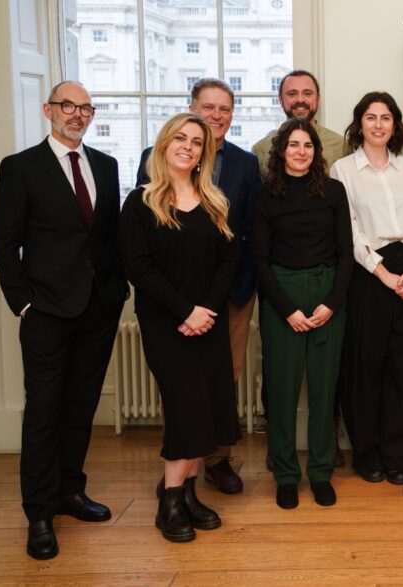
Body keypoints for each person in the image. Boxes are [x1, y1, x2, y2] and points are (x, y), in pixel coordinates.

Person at [0, 81, 128, 560]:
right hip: (46, 310)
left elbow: (110, 239)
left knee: (80, 407)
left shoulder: (106, 167)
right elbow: (3, 246)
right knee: (44, 412)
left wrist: (117, 293)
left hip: (98, 309)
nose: (77, 114)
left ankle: (70, 491)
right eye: (68, 106)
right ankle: (40, 513)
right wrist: (22, 303)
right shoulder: (22, 168)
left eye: (86, 108)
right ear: (49, 109)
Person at [120, 113, 241, 543]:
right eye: (180, 138)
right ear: (164, 144)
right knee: (186, 409)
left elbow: (229, 261)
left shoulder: (214, 200)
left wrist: (205, 308)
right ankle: (169, 502)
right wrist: (185, 311)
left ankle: (188, 494)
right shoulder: (140, 202)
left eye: (196, 142)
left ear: (204, 152)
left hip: (208, 321)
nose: (187, 147)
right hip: (165, 323)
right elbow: (138, 267)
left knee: (207, 407)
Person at [137, 78, 259, 495]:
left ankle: (215, 463)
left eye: (225, 108)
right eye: (208, 107)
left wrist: (212, 301)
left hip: (228, 294)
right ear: (191, 108)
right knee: (182, 390)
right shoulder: (149, 174)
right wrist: (184, 308)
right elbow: (146, 245)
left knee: (221, 382)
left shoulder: (245, 165)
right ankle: (178, 477)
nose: (216, 115)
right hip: (171, 302)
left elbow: (245, 235)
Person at [330, 92, 403, 485]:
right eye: (370, 117)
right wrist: (381, 271)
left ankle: (396, 455)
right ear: (359, 124)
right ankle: (367, 454)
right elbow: (349, 230)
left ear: (395, 124)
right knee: (365, 368)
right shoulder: (343, 170)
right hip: (368, 274)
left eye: (385, 117)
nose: (378, 124)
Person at [253, 118, 354, 510]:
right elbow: (259, 260)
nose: (300, 151)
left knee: (324, 391)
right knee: (281, 391)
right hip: (282, 295)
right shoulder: (265, 196)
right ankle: (286, 474)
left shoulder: (333, 191)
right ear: (281, 152)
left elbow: (346, 252)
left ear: (316, 151)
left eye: (307, 145)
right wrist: (288, 310)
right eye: (293, 145)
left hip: (328, 293)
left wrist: (332, 302)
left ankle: (321, 472)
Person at [252, 69, 348, 176]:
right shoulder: (261, 149)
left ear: (318, 99)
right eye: (292, 94)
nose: (300, 100)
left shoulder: (342, 146)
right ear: (280, 100)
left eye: (307, 93)